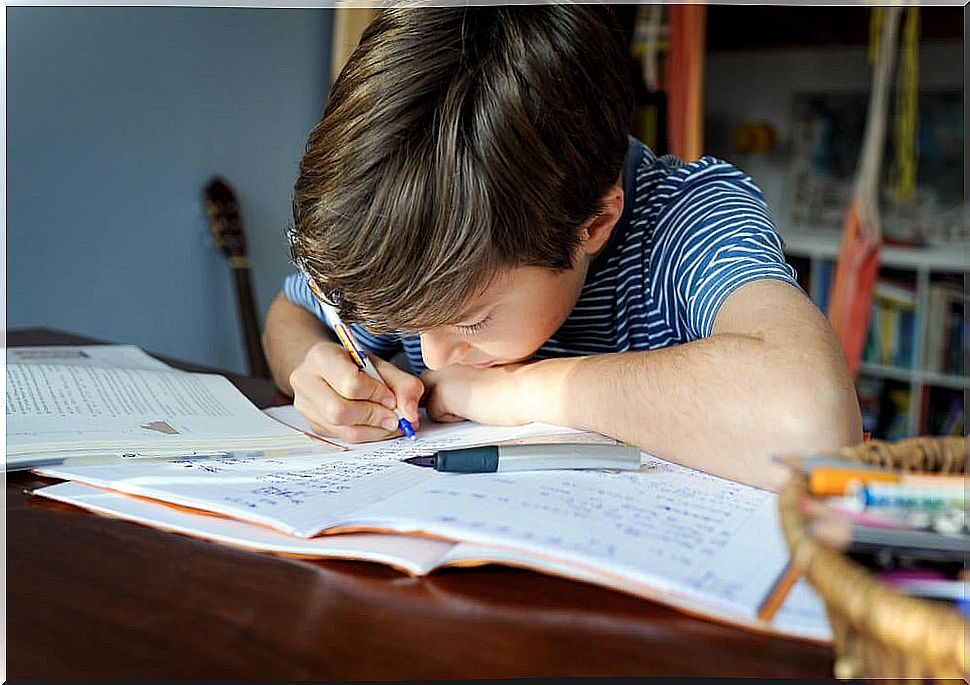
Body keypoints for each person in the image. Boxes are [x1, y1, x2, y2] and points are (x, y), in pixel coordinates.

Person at [263, 5, 862, 491]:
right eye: (411, 327)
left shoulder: (688, 217)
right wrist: (310, 371)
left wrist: (514, 391)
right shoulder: (417, 241)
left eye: (472, 320)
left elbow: (814, 426)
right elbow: (291, 315)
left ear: (594, 223)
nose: (434, 357)